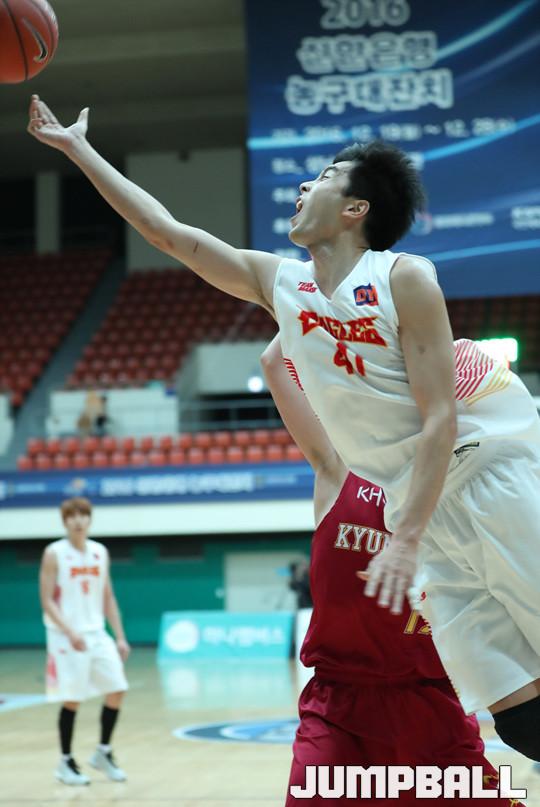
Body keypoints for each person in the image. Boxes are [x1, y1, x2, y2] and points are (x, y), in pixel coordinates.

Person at [26, 96, 540, 760]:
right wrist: (78, 149)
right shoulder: (283, 284)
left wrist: (405, 539)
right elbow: (167, 233)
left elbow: (440, 417)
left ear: (356, 209)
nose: (303, 185)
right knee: (520, 719)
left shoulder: (405, 278)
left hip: (484, 474)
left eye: (324, 177)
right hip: (423, 513)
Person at [261, 336, 524, 805]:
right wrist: (323, 301)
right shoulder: (339, 466)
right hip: (338, 707)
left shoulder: (457, 487)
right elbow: (274, 363)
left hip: (432, 702)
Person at [39, 496, 130, 785]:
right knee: (73, 698)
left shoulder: (100, 552)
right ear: (64, 522)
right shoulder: (54, 553)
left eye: (83, 515)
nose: (78, 521)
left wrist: (120, 636)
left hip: (96, 633)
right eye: (72, 517)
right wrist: (69, 631)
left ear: (90, 519)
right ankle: (65, 762)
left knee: (117, 689)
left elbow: (108, 596)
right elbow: (46, 601)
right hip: (66, 636)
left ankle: (103, 752)